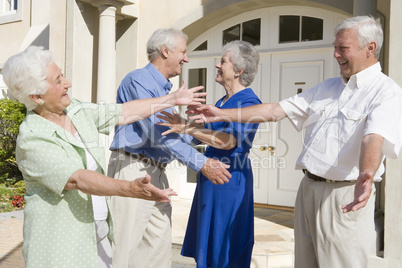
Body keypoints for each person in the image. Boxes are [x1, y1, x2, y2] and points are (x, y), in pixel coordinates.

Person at [188, 16, 402, 268]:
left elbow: (373, 138)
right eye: (334, 47)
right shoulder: (328, 87)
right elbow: (274, 111)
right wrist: (222, 113)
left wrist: (366, 174)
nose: (335, 54)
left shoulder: (386, 91)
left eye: (343, 48)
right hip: (308, 189)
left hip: (344, 195)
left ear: (370, 48)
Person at [2, 46, 206, 268]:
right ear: (37, 96)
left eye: (63, 75)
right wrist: (131, 189)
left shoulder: (76, 110)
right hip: (60, 246)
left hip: (96, 233)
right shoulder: (32, 138)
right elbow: (76, 179)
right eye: (58, 80)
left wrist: (171, 99)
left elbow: (123, 112)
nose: (67, 83)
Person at [108, 28, 231, 268]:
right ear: (165, 51)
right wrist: (202, 164)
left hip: (156, 172)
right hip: (134, 169)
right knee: (124, 248)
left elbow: (173, 133)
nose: (186, 59)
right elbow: (159, 134)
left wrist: (199, 129)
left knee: (158, 249)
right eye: (183, 52)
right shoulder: (139, 81)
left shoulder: (165, 91)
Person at [157, 40, 261, 267]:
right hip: (211, 176)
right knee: (209, 241)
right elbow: (202, 136)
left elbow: (229, 142)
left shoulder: (249, 101)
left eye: (223, 61)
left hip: (230, 177)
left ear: (238, 71)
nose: (217, 64)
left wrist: (187, 127)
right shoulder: (222, 102)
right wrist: (189, 124)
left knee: (225, 242)